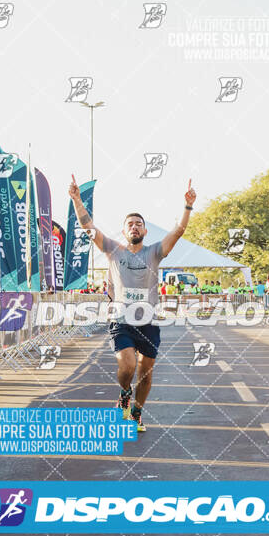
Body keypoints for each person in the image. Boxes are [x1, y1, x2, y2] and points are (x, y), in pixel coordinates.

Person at [69, 175, 196, 430]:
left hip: (148, 321)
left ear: (145, 231)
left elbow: (179, 231)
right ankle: (124, 394)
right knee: (127, 364)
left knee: (146, 372)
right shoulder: (113, 251)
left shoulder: (155, 252)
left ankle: (137, 412)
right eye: (130, 224)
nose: (135, 227)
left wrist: (188, 206)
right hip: (121, 320)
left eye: (139, 224)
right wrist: (76, 200)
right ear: (124, 230)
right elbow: (88, 227)